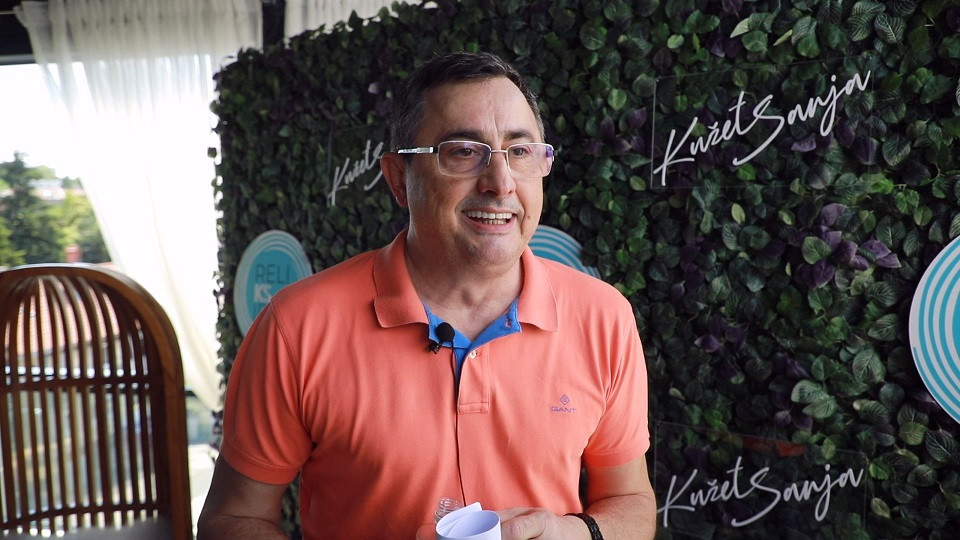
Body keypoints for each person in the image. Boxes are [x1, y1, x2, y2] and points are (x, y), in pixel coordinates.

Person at [198, 51, 656, 539]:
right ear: (400, 179)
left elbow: (631, 501)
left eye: (520, 152)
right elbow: (233, 519)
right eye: (464, 152)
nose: (500, 183)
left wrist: (576, 535)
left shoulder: (603, 317)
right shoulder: (297, 327)